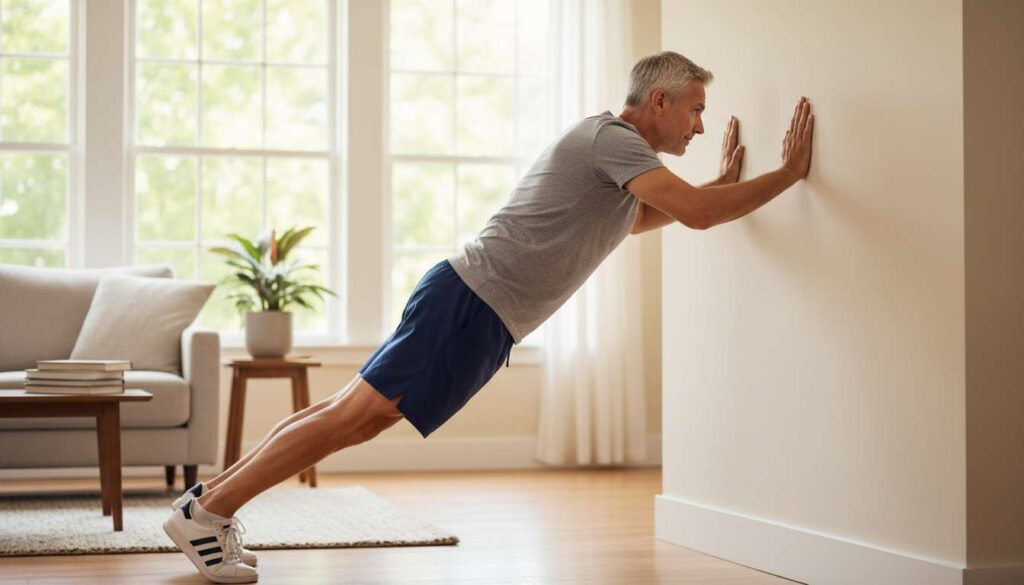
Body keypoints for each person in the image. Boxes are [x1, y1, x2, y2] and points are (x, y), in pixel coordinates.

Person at [161, 50, 814, 583]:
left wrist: (723, 186)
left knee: (348, 419)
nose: (699, 128)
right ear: (660, 101)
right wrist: (786, 174)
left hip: (475, 308)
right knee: (348, 418)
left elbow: (647, 219)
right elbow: (695, 214)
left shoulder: (618, 166)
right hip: (471, 303)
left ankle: (207, 502)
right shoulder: (612, 138)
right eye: (695, 110)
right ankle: (210, 508)